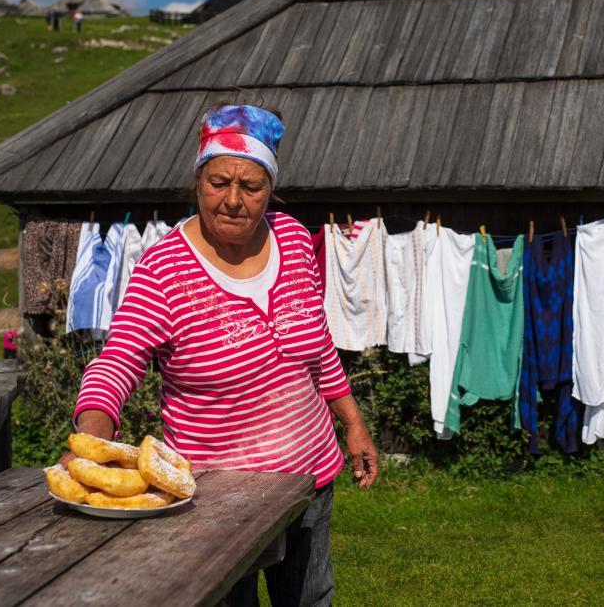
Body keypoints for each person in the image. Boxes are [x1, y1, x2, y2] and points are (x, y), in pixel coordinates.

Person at [61, 103, 379, 606]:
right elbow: (118, 360)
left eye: (250, 187)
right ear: (197, 182)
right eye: (218, 183)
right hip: (218, 497)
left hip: (309, 476)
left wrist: (353, 423)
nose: (232, 200)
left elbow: (316, 346)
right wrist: (90, 443)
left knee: (311, 598)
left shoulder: (293, 238)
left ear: (270, 190)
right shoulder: (164, 269)